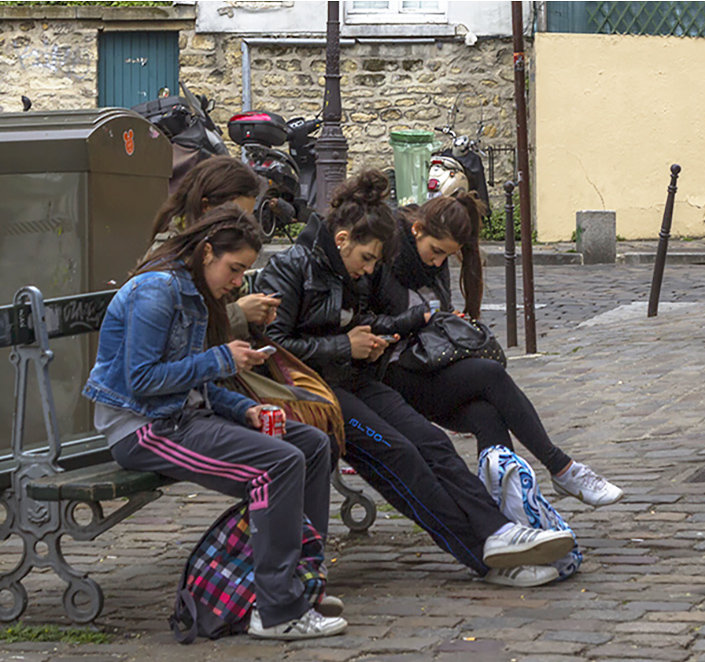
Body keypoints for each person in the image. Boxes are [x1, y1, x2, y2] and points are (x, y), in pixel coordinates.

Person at [256, 169, 574, 588]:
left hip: (357, 378)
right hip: (312, 392)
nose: (370, 270)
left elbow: (363, 318)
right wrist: (343, 346)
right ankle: (485, 559)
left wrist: (391, 328)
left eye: (375, 261)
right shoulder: (292, 267)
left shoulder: (351, 274)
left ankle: (499, 532)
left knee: (433, 443)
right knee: (401, 455)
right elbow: (271, 348)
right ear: (342, 240)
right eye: (367, 259)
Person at [83, 205, 346, 640]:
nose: (238, 281)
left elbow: (195, 387)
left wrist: (244, 409)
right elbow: (143, 380)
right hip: (144, 429)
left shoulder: (197, 292)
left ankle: (303, 585)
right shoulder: (157, 291)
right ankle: (276, 608)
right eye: (235, 268)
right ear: (207, 252)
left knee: (312, 444)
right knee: (278, 464)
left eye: (244, 272)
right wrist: (222, 357)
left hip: (180, 415)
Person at [380, 193, 623, 507]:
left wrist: (446, 321)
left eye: (447, 256)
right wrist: (423, 319)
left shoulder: (432, 265)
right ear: (417, 231)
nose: (439, 262)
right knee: (490, 374)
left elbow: (434, 316)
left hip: (430, 366)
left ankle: (505, 507)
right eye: (436, 251)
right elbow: (379, 322)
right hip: (395, 372)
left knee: (487, 414)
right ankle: (561, 468)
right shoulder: (387, 259)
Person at [150, 155, 280, 332]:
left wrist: (258, 315)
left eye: (245, 219)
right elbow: (173, 332)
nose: (241, 228)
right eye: (233, 217)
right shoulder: (169, 257)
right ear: (205, 207)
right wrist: (239, 313)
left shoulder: (223, 248)